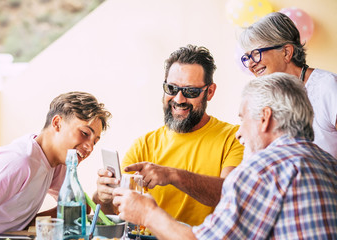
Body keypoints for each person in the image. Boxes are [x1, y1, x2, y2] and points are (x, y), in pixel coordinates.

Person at [113, 72, 337, 239]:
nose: (239, 133)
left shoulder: (264, 168)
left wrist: (147, 214)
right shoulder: (329, 163)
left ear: (265, 118)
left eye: (243, 118)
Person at [93, 45, 244, 226]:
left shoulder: (234, 138)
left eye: (190, 91)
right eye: (171, 88)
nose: (179, 99)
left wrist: (173, 175)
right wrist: (104, 195)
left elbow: (231, 195)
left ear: (210, 92)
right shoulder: (144, 144)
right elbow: (118, 214)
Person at [0, 91, 111, 233]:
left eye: (94, 142)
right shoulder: (20, 161)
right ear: (57, 123)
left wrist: (36, 223)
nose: (90, 147)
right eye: (84, 133)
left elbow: (79, 208)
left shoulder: (57, 162)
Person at [238, 11, 337, 158]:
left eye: (256, 53)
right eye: (247, 57)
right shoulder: (263, 98)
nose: (251, 64)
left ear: (286, 52)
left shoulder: (327, 85)